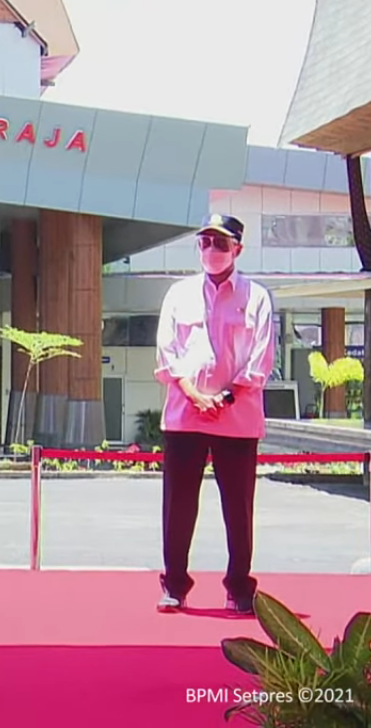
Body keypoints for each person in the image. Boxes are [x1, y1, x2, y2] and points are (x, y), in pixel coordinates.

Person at [153, 214, 275, 615]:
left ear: (237, 249)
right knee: (178, 506)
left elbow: (260, 360)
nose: (211, 250)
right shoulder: (179, 294)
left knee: (238, 509)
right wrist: (194, 395)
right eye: (205, 242)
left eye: (221, 243)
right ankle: (174, 585)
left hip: (237, 419)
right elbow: (167, 354)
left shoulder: (256, 297)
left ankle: (239, 587)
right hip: (185, 416)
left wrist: (223, 397)